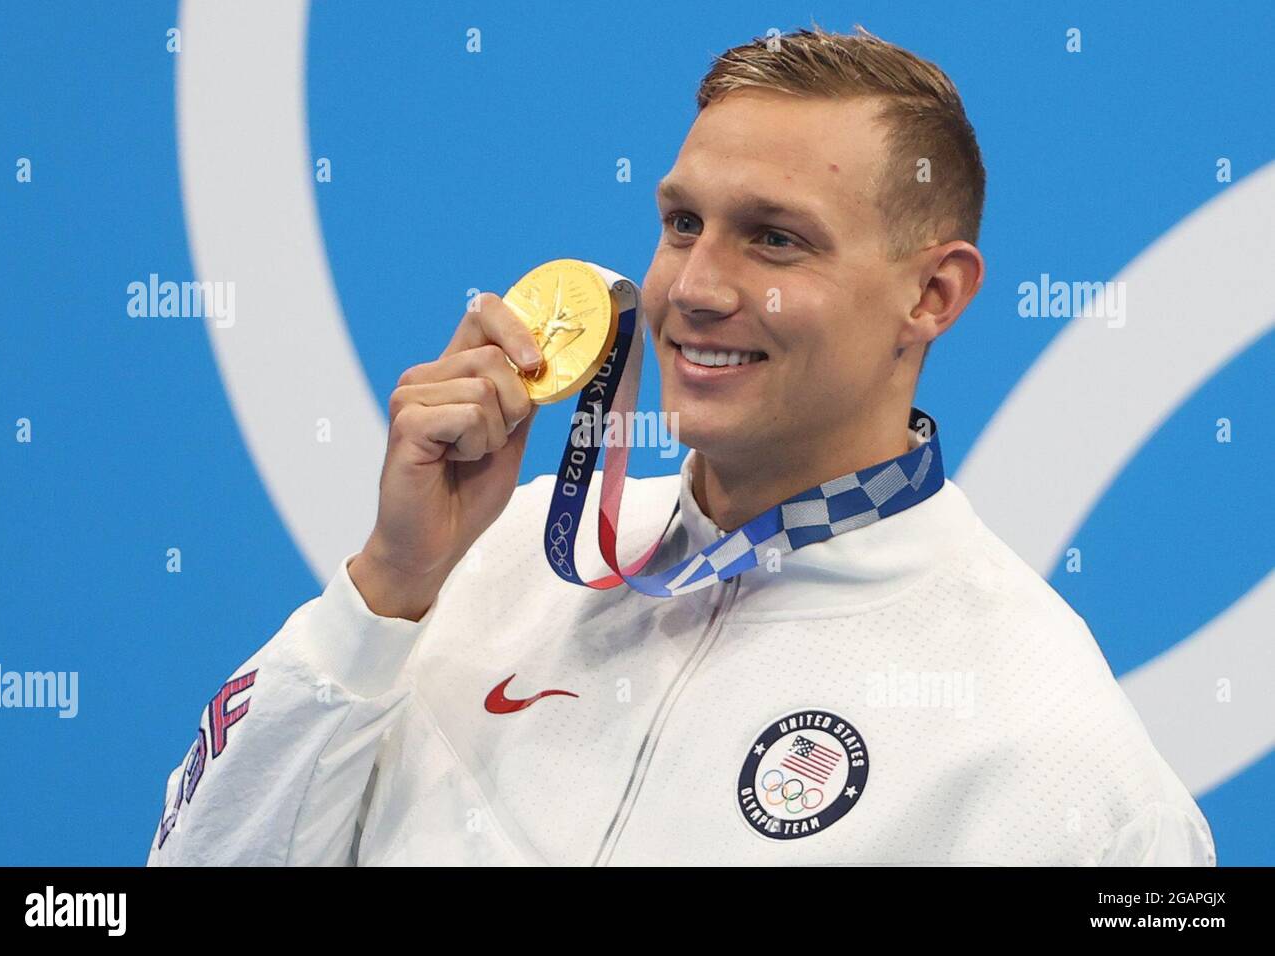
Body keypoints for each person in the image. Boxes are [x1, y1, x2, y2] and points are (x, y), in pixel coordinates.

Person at [147, 25, 1215, 866]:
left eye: (774, 237)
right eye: (681, 224)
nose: (695, 289)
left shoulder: (1042, 746)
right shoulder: (487, 564)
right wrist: (388, 587)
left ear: (931, 295)